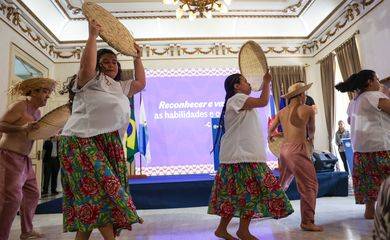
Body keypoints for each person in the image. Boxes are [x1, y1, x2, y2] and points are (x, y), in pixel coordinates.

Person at [58, 20, 145, 240]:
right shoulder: (89, 80)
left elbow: (141, 83)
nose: (111, 65)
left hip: (107, 142)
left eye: (114, 62)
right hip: (80, 140)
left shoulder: (119, 87)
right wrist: (92, 37)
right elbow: (85, 67)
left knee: (95, 194)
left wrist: (137, 58)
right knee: (99, 192)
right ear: (97, 64)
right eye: (105, 61)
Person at [208, 72, 294, 240]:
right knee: (247, 194)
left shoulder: (239, 101)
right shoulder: (237, 99)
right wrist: (267, 81)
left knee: (242, 195)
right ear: (236, 86)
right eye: (245, 82)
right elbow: (263, 101)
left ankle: (229, 230)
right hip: (241, 157)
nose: (249, 84)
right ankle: (241, 231)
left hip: (245, 156)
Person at [0, 77, 55, 240]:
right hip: (9, 156)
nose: (48, 96)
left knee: (33, 194)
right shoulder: (19, 106)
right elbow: (1, 124)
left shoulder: (37, 113)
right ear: (33, 91)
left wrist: (51, 133)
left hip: (25, 159)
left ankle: (27, 231)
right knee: (12, 199)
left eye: (49, 92)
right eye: (45, 91)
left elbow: (33, 134)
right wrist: (22, 128)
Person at [335, 69, 390, 219]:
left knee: (368, 181)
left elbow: (349, 121)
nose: (379, 82)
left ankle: (370, 210)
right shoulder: (374, 96)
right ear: (369, 82)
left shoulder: (354, 101)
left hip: (360, 149)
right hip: (380, 145)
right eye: (377, 79)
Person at [268, 82, 323, 231]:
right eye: (304, 93)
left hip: (284, 150)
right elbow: (311, 132)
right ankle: (307, 221)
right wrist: (309, 138)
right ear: (301, 95)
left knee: (283, 182)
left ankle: (272, 209)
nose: (306, 96)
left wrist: (275, 136)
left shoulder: (282, 112)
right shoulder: (308, 109)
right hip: (298, 150)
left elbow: (271, 130)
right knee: (310, 186)